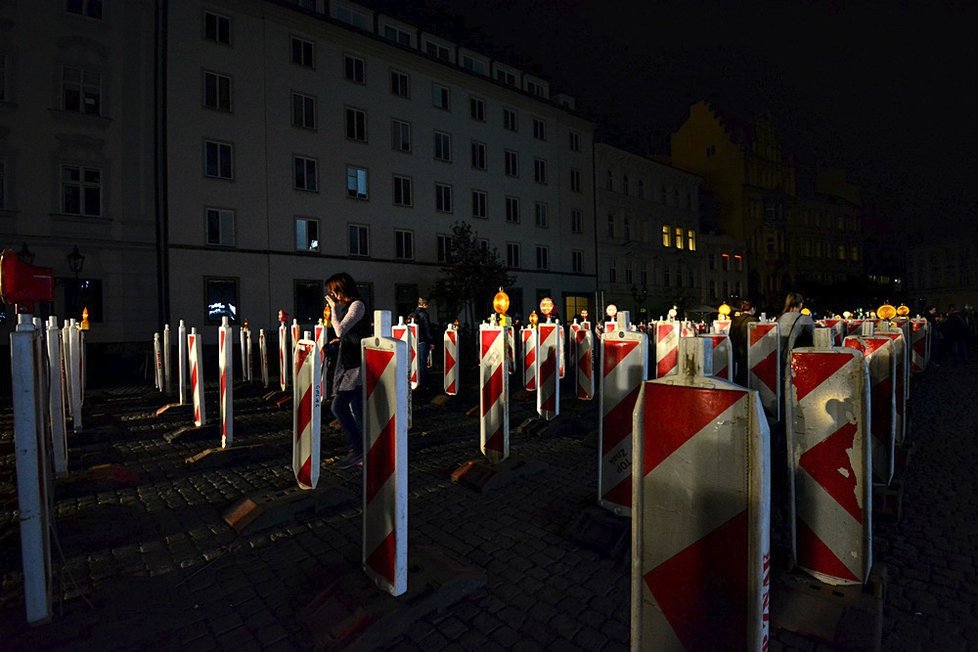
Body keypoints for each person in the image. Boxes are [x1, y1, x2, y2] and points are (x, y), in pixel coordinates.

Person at [325, 272, 370, 469]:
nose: (333, 296)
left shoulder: (357, 305)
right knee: (358, 409)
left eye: (333, 292)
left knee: (338, 406)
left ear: (341, 288)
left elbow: (340, 329)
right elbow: (347, 333)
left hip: (356, 365)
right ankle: (365, 451)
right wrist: (340, 341)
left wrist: (333, 310)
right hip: (350, 361)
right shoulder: (350, 306)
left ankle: (358, 450)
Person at [730, 299, 759, 386]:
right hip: (749, 351)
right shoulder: (754, 320)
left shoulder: (735, 320)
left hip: (737, 350)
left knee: (739, 373)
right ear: (753, 309)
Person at [777, 292, 815, 357]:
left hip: (779, 359)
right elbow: (815, 336)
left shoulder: (780, 319)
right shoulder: (805, 319)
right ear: (800, 304)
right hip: (796, 358)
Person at [412, 297, 436, 391]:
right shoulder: (424, 314)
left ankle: (415, 380)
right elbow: (427, 329)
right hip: (423, 341)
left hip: (414, 341)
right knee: (423, 362)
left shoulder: (414, 313)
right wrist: (431, 341)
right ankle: (423, 382)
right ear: (425, 304)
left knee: (415, 361)